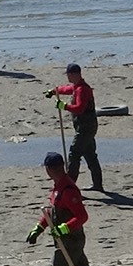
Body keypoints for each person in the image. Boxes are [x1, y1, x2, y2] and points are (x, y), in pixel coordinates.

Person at [28, 152, 118, 266]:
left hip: (70, 242)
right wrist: (39, 227)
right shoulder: (57, 188)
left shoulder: (68, 190)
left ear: (50, 169)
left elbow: (82, 216)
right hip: (66, 241)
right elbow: (51, 213)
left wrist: (63, 229)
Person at [45, 63, 103, 192]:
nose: (68, 78)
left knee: (74, 154)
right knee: (90, 155)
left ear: (74, 74)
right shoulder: (77, 87)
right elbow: (67, 89)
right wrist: (55, 91)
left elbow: (80, 108)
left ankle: (69, 186)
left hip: (85, 128)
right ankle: (98, 184)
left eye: (69, 75)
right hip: (85, 127)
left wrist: (64, 106)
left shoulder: (83, 89)